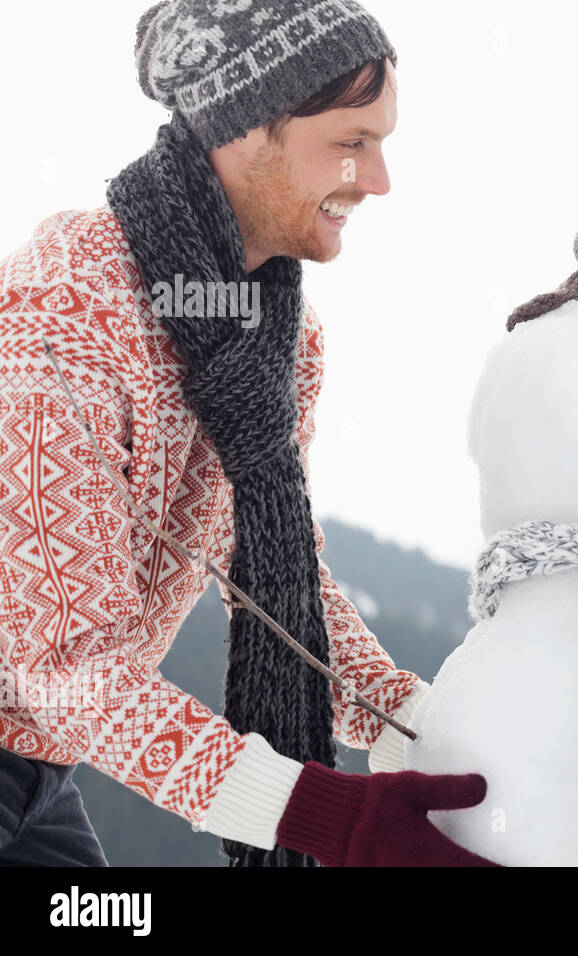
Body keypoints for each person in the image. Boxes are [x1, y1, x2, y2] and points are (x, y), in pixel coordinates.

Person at [0, 0, 494, 867]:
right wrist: (330, 817)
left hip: (40, 766)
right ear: (242, 129)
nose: (378, 180)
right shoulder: (70, 305)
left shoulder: (278, 340)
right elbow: (67, 663)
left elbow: (274, 575)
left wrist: (422, 732)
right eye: (352, 141)